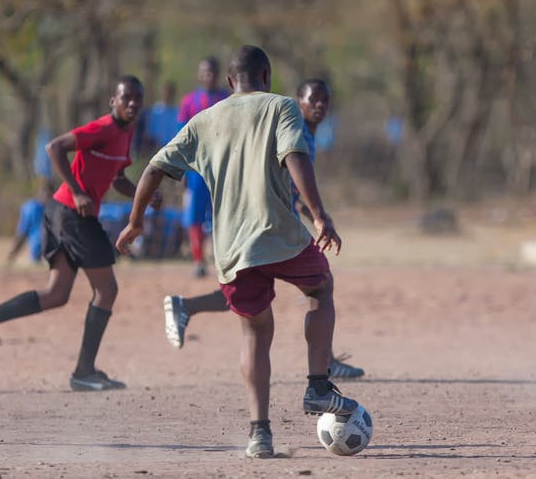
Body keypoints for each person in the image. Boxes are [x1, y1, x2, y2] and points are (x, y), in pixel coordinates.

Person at [117, 46, 359, 460]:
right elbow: (295, 156)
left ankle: (259, 434)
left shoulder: (203, 120)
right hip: (279, 233)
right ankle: (318, 384)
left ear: (230, 82)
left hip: (230, 247)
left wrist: (136, 222)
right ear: (266, 76)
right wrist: (319, 215)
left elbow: (154, 168)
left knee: (254, 331)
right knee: (319, 289)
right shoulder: (281, 107)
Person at [161, 79, 366, 380]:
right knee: (314, 285)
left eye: (325, 100)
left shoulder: (304, 133)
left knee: (250, 288)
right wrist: (319, 217)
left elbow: (295, 192)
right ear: (299, 101)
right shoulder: (296, 133)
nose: (320, 105)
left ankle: (186, 306)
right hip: (267, 224)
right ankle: (324, 366)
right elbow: (292, 183)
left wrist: (318, 216)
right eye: (314, 99)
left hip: (267, 224)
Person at [0, 77, 148, 392]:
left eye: (138, 99)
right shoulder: (103, 128)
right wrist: (77, 191)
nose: (133, 104)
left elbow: (118, 178)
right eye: (126, 98)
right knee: (107, 289)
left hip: (62, 214)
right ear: (112, 101)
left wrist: (143, 193)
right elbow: (54, 147)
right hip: (72, 214)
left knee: (56, 295)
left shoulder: (125, 136)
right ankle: (84, 371)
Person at [177, 57, 230, 278]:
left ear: (218, 75)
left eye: (212, 72)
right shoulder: (189, 101)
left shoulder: (228, 100)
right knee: (195, 215)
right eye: (204, 72)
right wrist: (181, 168)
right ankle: (199, 260)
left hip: (223, 168)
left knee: (223, 213)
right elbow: (181, 137)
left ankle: (223, 258)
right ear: (199, 75)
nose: (208, 76)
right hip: (197, 171)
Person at [6, 180, 52, 265]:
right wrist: (13, 253)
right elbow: (23, 231)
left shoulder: (51, 207)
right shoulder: (31, 207)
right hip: (36, 242)